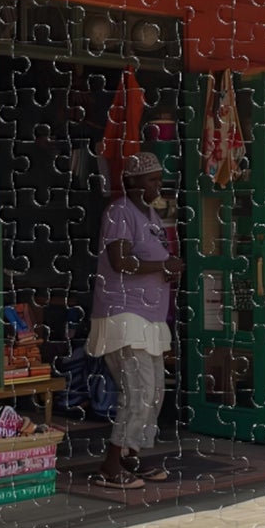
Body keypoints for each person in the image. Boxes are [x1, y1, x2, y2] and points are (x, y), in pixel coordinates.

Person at [86, 151, 184, 490]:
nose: (158, 185)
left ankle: (130, 455)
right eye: (151, 180)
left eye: (159, 179)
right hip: (123, 314)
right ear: (131, 183)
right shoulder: (118, 212)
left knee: (155, 390)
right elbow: (120, 261)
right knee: (138, 391)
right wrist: (163, 267)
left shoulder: (154, 216)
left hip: (150, 316)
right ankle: (110, 465)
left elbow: (153, 260)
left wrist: (169, 268)